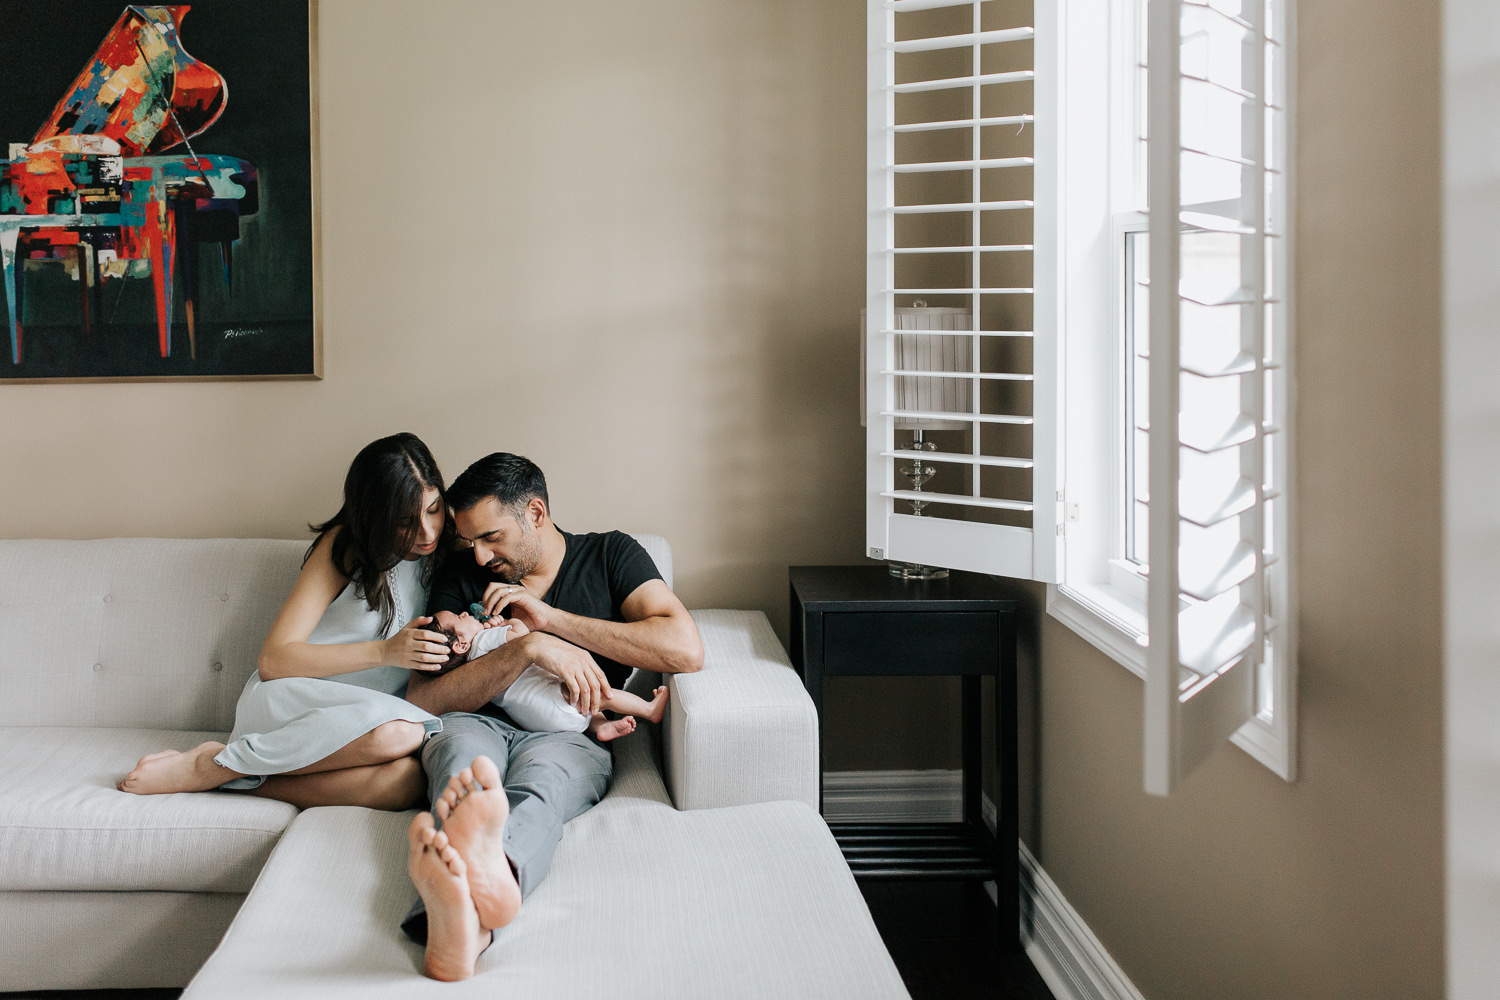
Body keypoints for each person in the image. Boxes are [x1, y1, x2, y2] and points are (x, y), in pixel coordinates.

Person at [400, 452, 704, 981]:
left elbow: (684, 649)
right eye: (470, 540)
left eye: (491, 537)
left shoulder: (611, 555)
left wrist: (553, 621)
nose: (477, 556)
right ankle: (478, 923)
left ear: (536, 514)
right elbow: (422, 703)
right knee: (465, 775)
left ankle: (461, 921)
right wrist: (526, 649)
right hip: (477, 721)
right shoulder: (460, 574)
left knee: (541, 789)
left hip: (571, 732)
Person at [117, 433, 456, 809]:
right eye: (405, 520)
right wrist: (386, 652)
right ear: (376, 515)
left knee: (405, 783)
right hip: (297, 704)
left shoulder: (446, 551)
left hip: (359, 732)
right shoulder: (344, 547)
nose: (427, 531)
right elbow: (274, 661)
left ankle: (221, 775)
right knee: (401, 736)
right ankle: (216, 764)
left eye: (434, 508)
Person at [431, 608, 669, 741]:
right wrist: (508, 623)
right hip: (552, 701)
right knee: (597, 694)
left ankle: (599, 727)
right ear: (460, 645)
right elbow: (524, 639)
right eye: (458, 618)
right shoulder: (484, 640)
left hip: (537, 720)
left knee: (583, 710)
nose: (464, 612)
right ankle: (649, 709)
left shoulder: (471, 667)